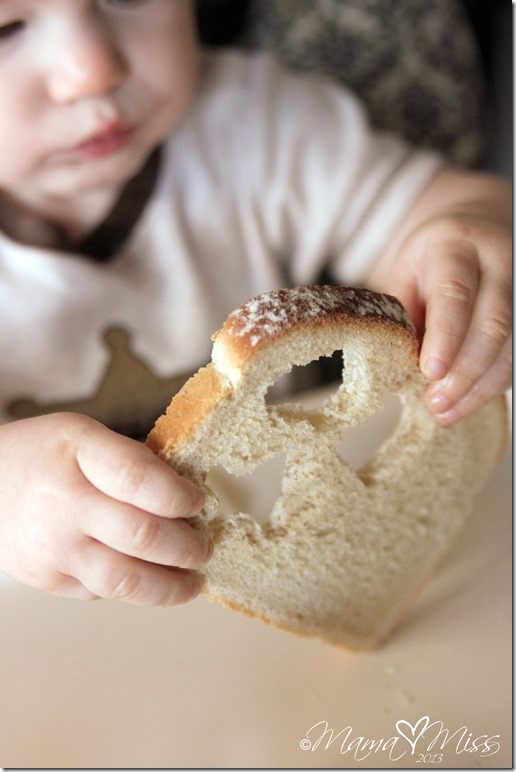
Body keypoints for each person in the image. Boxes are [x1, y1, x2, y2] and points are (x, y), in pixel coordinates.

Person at [0, 0, 511, 607]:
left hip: (296, 545)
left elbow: (436, 207)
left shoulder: (257, 123)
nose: (94, 70)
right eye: (6, 27)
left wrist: (461, 238)